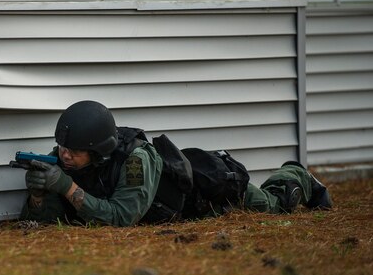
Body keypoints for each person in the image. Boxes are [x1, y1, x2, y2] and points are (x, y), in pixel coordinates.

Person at [19, 100, 332, 227]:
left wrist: (66, 186)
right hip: (172, 207)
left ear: (98, 151)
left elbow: (122, 217)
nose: (64, 155)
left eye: (72, 151)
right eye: (61, 147)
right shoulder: (67, 156)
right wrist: (38, 194)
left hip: (209, 194)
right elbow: (49, 223)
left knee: (277, 203)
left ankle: (298, 176)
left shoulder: (135, 161)